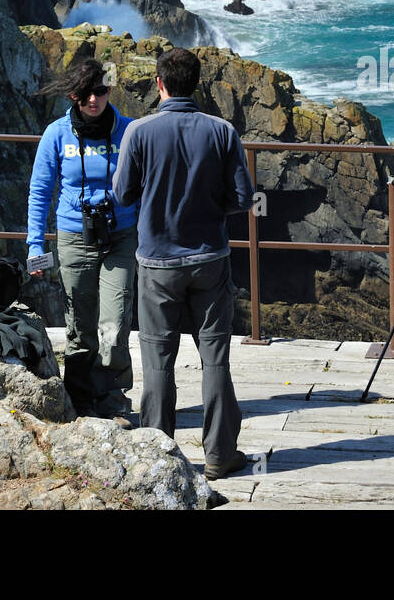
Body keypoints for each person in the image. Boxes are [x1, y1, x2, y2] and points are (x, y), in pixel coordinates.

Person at [113, 47, 255, 481]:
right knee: (215, 359)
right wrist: (210, 209)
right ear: (197, 83)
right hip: (210, 257)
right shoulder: (222, 132)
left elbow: (123, 195)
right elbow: (243, 198)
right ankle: (219, 454)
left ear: (159, 84)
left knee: (158, 360)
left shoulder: (139, 131)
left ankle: (159, 456)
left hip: (156, 262)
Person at [27, 59, 139, 423]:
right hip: (74, 235)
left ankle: (112, 397)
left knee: (116, 318)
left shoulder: (128, 132)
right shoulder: (56, 134)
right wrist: (34, 244)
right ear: (74, 95)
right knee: (79, 321)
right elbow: (40, 192)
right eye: (87, 93)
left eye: (102, 91)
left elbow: (147, 185)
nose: (95, 99)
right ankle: (80, 397)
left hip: (121, 235)